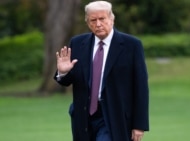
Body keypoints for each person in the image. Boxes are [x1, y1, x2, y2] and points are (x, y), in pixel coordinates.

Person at [54, 1, 149, 141]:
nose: (98, 24)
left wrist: (139, 125)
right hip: (84, 118)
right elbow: (68, 81)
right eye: (93, 20)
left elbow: (140, 87)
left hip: (114, 116)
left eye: (102, 19)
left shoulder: (131, 45)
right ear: (87, 22)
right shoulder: (78, 44)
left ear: (112, 19)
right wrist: (63, 72)